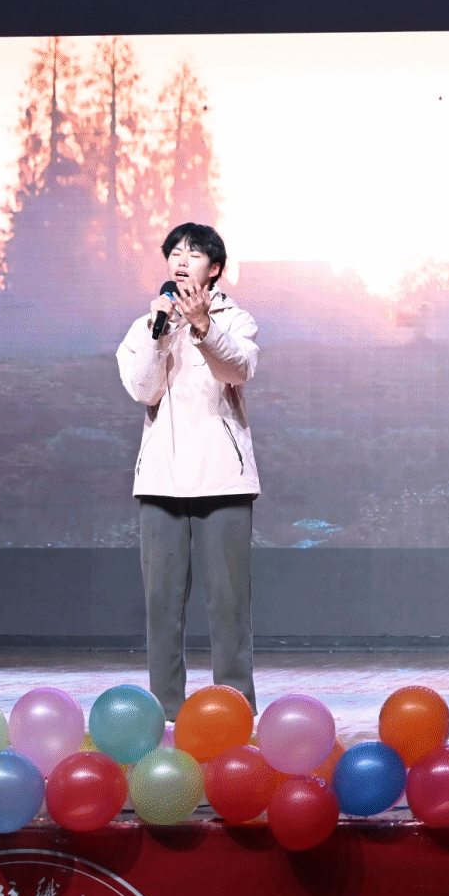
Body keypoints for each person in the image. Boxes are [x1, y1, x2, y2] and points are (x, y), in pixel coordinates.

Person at [116, 223, 260, 718]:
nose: (181, 261)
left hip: (223, 481)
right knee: (162, 607)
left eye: (194, 254)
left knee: (229, 607)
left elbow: (237, 370)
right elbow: (143, 390)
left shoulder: (236, 321)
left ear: (214, 269)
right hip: (160, 482)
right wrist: (160, 335)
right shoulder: (146, 326)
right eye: (175, 253)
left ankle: (236, 712)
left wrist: (204, 329)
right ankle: (166, 713)